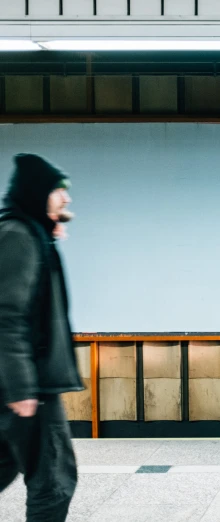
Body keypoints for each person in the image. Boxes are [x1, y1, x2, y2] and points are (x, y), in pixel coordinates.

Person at [0, 153, 83, 521]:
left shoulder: (29, 233)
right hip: (26, 385)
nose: (65, 198)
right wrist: (21, 387)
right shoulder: (18, 236)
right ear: (37, 193)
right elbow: (6, 316)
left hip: (25, 381)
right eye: (58, 190)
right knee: (54, 481)